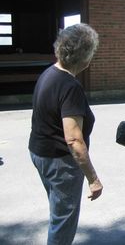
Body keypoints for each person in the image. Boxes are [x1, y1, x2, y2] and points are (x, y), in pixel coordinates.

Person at [29, 23, 103, 245]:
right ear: (86, 57)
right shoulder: (70, 86)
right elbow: (73, 139)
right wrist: (94, 179)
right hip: (59, 162)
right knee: (63, 221)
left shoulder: (49, 73)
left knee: (58, 211)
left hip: (40, 153)